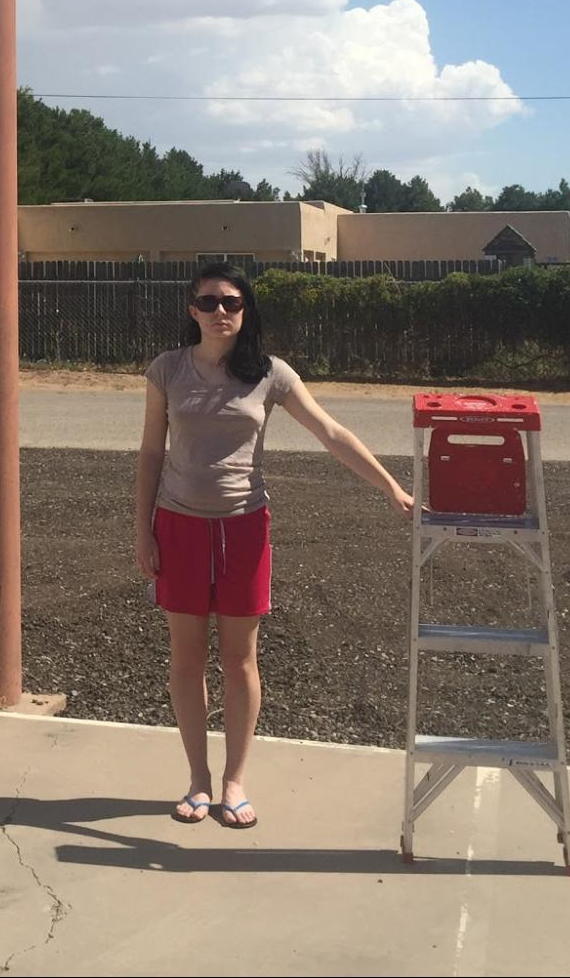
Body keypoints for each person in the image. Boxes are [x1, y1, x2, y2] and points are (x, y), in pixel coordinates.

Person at [135, 260, 413, 829]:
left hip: (244, 527)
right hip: (179, 526)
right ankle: (198, 780)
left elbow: (331, 432)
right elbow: (148, 454)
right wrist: (142, 531)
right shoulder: (167, 370)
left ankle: (234, 782)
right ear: (192, 311)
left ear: (245, 310)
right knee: (186, 660)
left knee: (240, 661)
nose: (220, 312)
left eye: (231, 303)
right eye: (208, 302)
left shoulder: (270, 374)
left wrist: (391, 486)